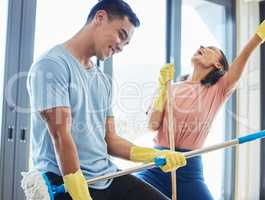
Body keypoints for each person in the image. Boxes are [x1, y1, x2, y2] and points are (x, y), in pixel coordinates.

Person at [26, 0, 186, 200]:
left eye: (126, 44)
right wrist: (80, 194)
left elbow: (110, 140)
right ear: (100, 18)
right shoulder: (52, 65)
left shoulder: (103, 81)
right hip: (64, 180)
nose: (121, 48)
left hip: (106, 176)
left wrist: (154, 155)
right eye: (122, 35)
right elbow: (60, 135)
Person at [135, 20, 265, 200]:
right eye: (202, 45)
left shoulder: (219, 89)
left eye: (211, 48)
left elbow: (242, 57)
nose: (202, 47)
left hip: (188, 169)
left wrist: (258, 37)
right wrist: (162, 87)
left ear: (219, 65)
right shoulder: (170, 86)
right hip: (157, 164)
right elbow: (152, 125)